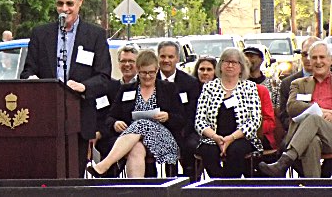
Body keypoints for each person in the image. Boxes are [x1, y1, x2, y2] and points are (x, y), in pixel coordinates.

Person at [20, 0, 111, 177]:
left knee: (74, 174)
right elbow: (27, 71)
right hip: (45, 117)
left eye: (69, 3)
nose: (65, 9)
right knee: (46, 174)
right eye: (60, 3)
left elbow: (104, 77)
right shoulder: (40, 34)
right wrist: (32, 80)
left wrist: (84, 87)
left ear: (80, 2)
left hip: (78, 117)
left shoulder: (94, 35)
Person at [87, 50, 184, 178]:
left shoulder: (169, 88)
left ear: (157, 70)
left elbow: (182, 118)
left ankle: (105, 164)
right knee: (136, 149)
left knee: (141, 123)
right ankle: (136, 188)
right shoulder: (127, 89)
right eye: (144, 73)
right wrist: (115, 123)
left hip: (163, 140)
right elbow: (110, 117)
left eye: (151, 72)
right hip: (133, 140)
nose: (147, 76)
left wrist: (168, 116)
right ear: (138, 70)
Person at [259, 41, 332, 178]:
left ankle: (284, 162)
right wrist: (320, 110)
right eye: (314, 58)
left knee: (314, 118)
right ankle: (314, 190)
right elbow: (292, 107)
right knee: (312, 141)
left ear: (330, 60)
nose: (318, 61)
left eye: (322, 57)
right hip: (308, 135)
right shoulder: (298, 84)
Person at [195, 47, 262, 178]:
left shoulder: (250, 88)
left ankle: (230, 186)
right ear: (220, 65)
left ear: (241, 67)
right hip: (212, 138)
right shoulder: (209, 87)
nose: (230, 65)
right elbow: (199, 120)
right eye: (226, 61)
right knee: (208, 151)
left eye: (234, 62)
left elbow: (255, 120)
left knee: (236, 151)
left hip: (241, 137)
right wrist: (216, 138)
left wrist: (230, 139)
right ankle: (219, 185)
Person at [156, 40, 201, 179]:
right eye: (163, 56)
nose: (166, 60)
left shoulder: (190, 82)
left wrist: (183, 131)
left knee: (191, 145)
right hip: (158, 129)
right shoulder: (149, 79)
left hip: (185, 129)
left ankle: (190, 182)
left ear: (177, 58)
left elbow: (193, 112)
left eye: (170, 57)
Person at [94, 43, 139, 177]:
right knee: (106, 145)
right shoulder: (109, 87)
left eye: (131, 61)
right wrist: (113, 124)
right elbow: (103, 115)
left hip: (138, 135)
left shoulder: (145, 86)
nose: (127, 64)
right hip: (112, 134)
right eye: (123, 61)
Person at [245, 46, 279, 110]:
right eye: (245, 57)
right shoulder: (237, 84)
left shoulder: (273, 84)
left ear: (261, 60)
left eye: (251, 56)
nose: (248, 60)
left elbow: (277, 109)